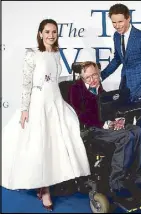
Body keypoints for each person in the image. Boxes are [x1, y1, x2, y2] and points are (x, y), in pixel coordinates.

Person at [1, 19, 90, 211]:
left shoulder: (57, 53)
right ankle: (46, 189)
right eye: (47, 32)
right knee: (41, 145)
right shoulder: (32, 54)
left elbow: (55, 79)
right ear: (40, 33)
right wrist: (25, 109)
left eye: (54, 32)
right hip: (38, 104)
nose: (51, 35)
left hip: (55, 102)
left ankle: (46, 184)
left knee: (56, 143)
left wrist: (80, 79)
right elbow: (26, 83)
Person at [100, 3, 141, 171]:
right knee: (127, 129)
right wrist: (100, 76)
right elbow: (118, 60)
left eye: (120, 21)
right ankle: (129, 166)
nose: (117, 26)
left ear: (128, 18)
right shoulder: (116, 36)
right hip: (125, 88)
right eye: (114, 22)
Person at [69, 61, 141, 192]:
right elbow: (80, 116)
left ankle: (137, 177)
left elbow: (108, 108)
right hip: (91, 130)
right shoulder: (75, 90)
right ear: (82, 78)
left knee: (137, 131)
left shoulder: (99, 87)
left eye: (95, 75)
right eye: (88, 77)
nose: (93, 79)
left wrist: (118, 120)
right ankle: (116, 182)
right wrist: (105, 123)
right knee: (126, 136)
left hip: (105, 125)